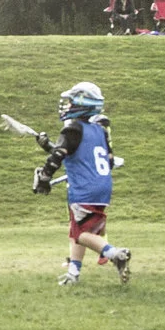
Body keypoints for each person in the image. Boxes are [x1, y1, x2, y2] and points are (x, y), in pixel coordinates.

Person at [34, 81, 133, 286]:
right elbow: (90, 156)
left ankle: (115, 254)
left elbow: (58, 156)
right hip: (102, 187)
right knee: (77, 229)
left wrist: (44, 177)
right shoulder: (99, 130)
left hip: (84, 189)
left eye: (71, 102)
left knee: (82, 234)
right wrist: (49, 146)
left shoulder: (73, 129)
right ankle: (73, 273)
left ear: (82, 104)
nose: (68, 105)